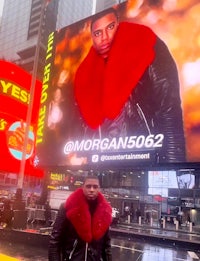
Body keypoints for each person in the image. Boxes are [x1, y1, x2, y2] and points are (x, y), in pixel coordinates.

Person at [74, 7, 186, 163]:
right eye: (98, 33)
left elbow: (169, 112)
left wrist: (172, 170)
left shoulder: (147, 44)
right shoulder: (84, 74)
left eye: (110, 27)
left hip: (145, 160)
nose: (105, 38)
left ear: (118, 25)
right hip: (105, 165)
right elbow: (85, 132)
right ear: (92, 37)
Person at [48, 175, 112, 260]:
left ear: (99, 189)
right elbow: (54, 242)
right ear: (83, 187)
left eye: (95, 187)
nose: (92, 190)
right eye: (88, 186)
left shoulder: (104, 211)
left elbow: (106, 247)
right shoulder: (68, 207)